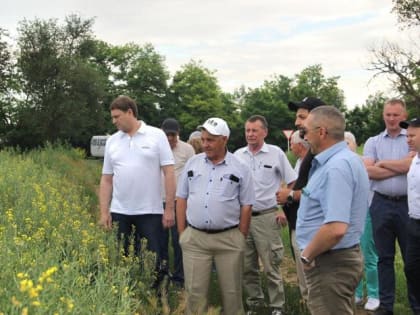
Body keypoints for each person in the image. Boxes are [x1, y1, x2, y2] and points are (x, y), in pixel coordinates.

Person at [176, 117, 255, 315]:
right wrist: (182, 233)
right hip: (195, 239)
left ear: (224, 139)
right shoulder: (193, 163)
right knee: (195, 294)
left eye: (210, 140)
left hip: (229, 239)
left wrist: (240, 236)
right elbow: (181, 197)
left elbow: (246, 204)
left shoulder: (240, 167)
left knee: (232, 294)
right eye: (203, 139)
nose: (205, 144)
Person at [296, 106, 369, 315]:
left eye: (305, 132)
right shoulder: (344, 160)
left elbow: (336, 228)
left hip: (330, 262)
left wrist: (307, 256)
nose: (304, 138)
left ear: (322, 132)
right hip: (333, 259)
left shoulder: (337, 167)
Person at [99, 95, 176, 290]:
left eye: (117, 116)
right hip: (120, 211)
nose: (114, 121)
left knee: (154, 261)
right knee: (122, 259)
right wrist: (104, 212)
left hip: (150, 211)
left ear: (130, 112)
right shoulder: (112, 141)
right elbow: (106, 179)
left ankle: (157, 301)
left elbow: (169, 173)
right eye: (112, 117)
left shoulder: (156, 135)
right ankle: (129, 300)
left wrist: (169, 209)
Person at [234, 115, 297, 315]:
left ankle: (277, 307)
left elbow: (292, 183)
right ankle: (255, 304)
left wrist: (284, 208)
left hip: (267, 217)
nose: (250, 134)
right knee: (247, 266)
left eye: (254, 130)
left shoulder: (276, 153)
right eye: (248, 130)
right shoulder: (238, 155)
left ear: (264, 132)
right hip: (242, 218)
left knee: (271, 265)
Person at [363, 99, 419, 315]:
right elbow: (369, 171)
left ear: (404, 116)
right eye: (388, 114)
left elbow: (409, 165)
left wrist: (383, 163)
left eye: (396, 115)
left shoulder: (413, 139)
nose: (392, 119)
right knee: (383, 257)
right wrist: (401, 166)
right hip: (381, 203)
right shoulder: (373, 142)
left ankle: (416, 305)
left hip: (407, 205)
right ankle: (386, 306)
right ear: (383, 115)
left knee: (412, 259)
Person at [276, 96, 326, 301]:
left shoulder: (327, 157)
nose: (297, 123)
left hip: (318, 235)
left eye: (302, 117)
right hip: (305, 228)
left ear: (319, 121)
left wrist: (290, 194)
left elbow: (320, 194)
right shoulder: (313, 155)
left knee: (320, 292)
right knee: (311, 291)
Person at [345, 131, 380, 311]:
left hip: (365, 212)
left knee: (369, 254)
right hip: (346, 215)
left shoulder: (363, 163)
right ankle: (357, 293)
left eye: (347, 143)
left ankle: (374, 294)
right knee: (353, 256)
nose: (345, 147)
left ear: (354, 144)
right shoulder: (340, 164)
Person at [160, 118, 195, 287]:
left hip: (179, 202)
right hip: (158, 200)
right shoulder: (156, 148)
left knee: (179, 240)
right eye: (166, 135)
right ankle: (163, 272)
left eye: (172, 135)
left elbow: (193, 174)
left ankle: (180, 277)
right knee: (160, 240)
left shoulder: (187, 150)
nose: (169, 139)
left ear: (178, 134)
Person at [282, 130, 310, 302]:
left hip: (305, 222)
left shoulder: (310, 163)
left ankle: (310, 302)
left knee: (306, 265)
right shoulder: (300, 162)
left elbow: (309, 192)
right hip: (296, 221)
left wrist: (289, 194)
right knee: (300, 265)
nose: (290, 146)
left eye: (292, 143)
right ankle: (306, 300)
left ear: (300, 145)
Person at [400, 117, 420, 305]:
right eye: (407, 135)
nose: (408, 139)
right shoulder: (414, 159)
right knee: (412, 268)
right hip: (413, 221)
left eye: (413, 135)